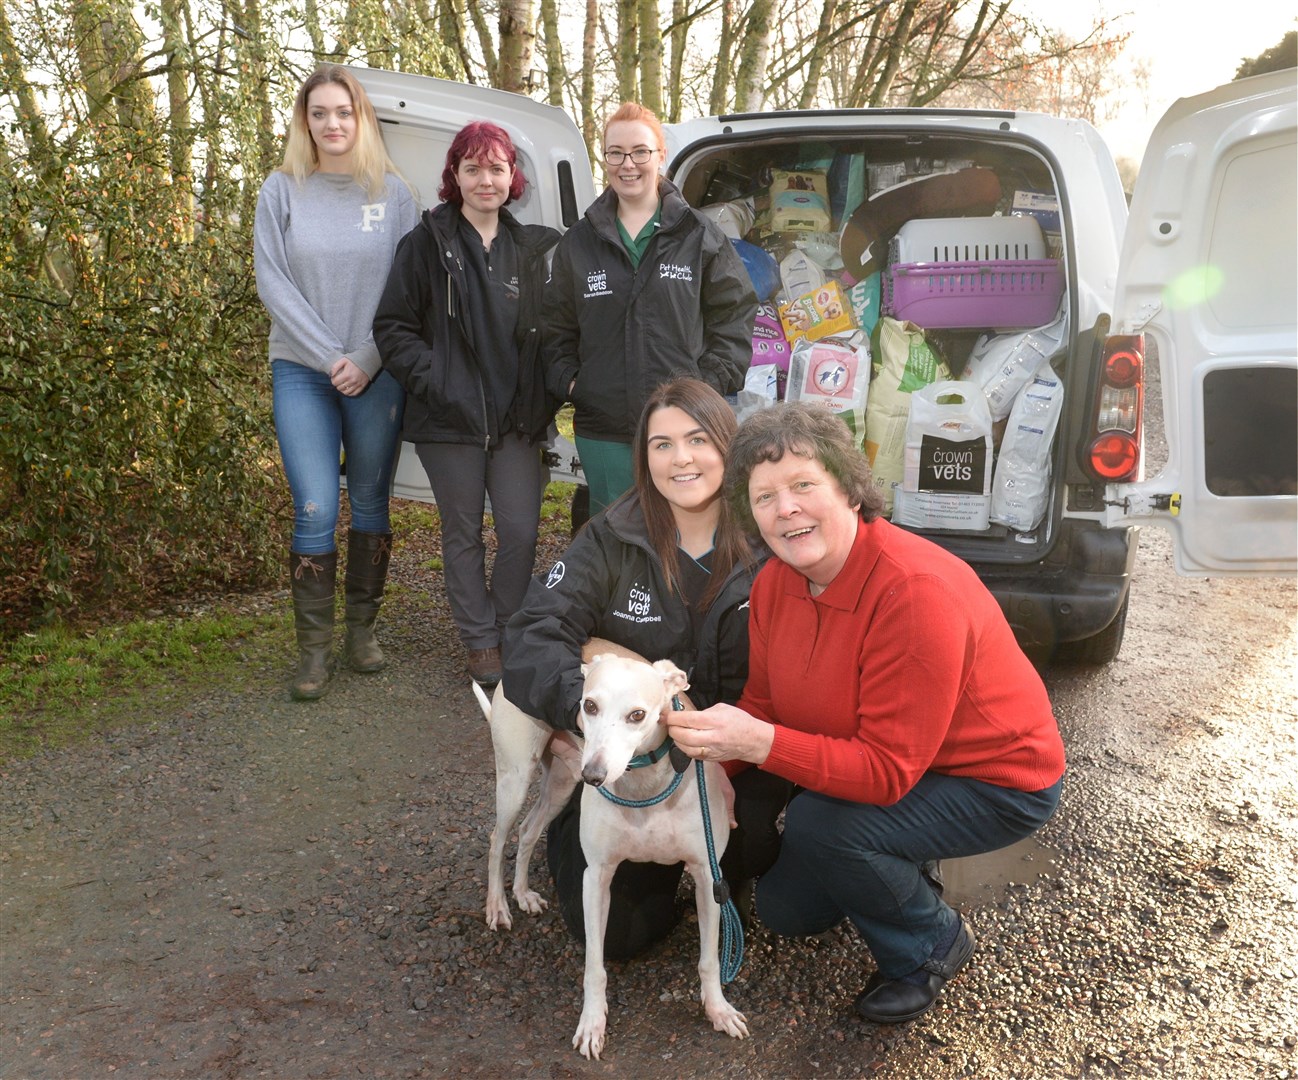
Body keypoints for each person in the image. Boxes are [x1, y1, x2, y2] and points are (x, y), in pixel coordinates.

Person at [667, 402, 1066, 1023]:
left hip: (992, 781)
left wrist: (757, 744)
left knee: (825, 829)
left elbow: (884, 773)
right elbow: (767, 705)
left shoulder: (913, 593)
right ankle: (896, 859)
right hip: (893, 758)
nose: (786, 508)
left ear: (851, 490)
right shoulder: (775, 581)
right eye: (765, 496)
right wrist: (706, 771)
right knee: (785, 912)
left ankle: (928, 944)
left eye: (804, 485)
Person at [502, 378, 791, 958]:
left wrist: (729, 763)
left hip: (733, 764)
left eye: (698, 439)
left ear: (728, 449)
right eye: (661, 444)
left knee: (755, 856)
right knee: (613, 936)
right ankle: (655, 872)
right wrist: (578, 713)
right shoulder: (612, 536)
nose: (681, 458)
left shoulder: (771, 541)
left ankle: (712, 872)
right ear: (644, 457)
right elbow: (534, 634)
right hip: (627, 774)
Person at [373, 122, 561, 690]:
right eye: (473, 168)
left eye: (497, 168)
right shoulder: (425, 243)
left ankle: (507, 626)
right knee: (462, 534)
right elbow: (392, 326)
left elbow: (559, 331)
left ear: (513, 178)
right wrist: (440, 380)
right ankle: (480, 641)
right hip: (448, 420)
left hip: (517, 421)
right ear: (454, 175)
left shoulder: (534, 249)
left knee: (521, 530)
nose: (486, 179)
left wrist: (552, 390)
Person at [254, 64, 419, 702]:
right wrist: (330, 358)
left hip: (375, 373)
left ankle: (362, 635)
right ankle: (313, 654)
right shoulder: (281, 190)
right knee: (317, 504)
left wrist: (369, 357)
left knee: (372, 502)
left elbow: (408, 292)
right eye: (319, 113)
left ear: (362, 118)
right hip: (302, 370)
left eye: (343, 112)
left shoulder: (395, 194)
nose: (332, 124)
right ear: (305, 121)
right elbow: (273, 283)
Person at [543, 102, 757, 518]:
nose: (628, 164)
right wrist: (573, 384)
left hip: (684, 429)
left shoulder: (699, 236)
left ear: (660, 156)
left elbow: (735, 317)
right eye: (615, 152)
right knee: (615, 538)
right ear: (603, 158)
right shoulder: (580, 242)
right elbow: (553, 327)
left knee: (682, 536)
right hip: (604, 430)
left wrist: (705, 386)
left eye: (640, 152)